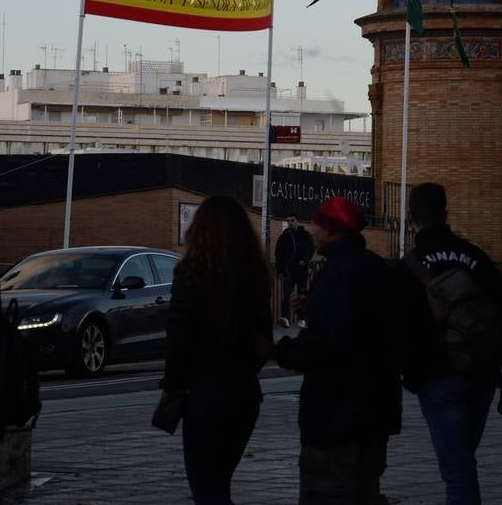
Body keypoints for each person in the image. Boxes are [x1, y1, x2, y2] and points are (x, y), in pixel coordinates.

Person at [395, 182, 502, 505]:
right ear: (446, 214)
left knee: (457, 470)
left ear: (410, 216)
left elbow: (398, 328)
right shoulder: (475, 257)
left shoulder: (409, 267)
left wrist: (412, 376)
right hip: (482, 373)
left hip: (438, 378)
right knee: (462, 461)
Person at [274, 196, 400, 504]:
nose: (313, 232)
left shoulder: (335, 273)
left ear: (332, 230)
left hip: (337, 415)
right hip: (375, 412)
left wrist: (281, 349)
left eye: (318, 225)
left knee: (330, 493)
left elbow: (327, 344)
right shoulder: (376, 268)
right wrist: (312, 309)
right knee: (366, 492)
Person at [160, 196, 273, 505]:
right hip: (245, 395)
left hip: (204, 397)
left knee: (206, 487)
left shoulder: (191, 277)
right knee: (219, 483)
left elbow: (179, 340)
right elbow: (264, 341)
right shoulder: (256, 277)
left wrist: (172, 388)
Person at [275, 213, 315, 327]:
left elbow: (311, 249)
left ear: (297, 221)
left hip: (301, 271)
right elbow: (278, 254)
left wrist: (305, 260)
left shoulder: (305, 235)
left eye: (292, 220)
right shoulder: (284, 236)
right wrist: (280, 270)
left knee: (301, 295)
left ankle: (302, 319)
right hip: (289, 271)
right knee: (286, 294)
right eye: (288, 221)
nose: (290, 223)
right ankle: (285, 318)